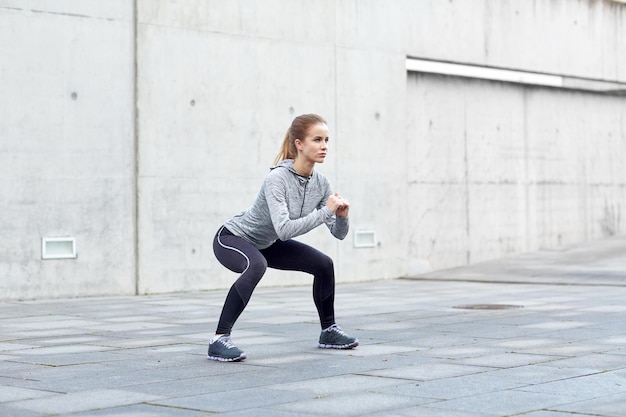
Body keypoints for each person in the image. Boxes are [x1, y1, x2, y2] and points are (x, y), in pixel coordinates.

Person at [208, 113, 358, 362]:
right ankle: (219, 339)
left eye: (327, 140)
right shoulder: (277, 179)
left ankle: (329, 331)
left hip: (267, 243)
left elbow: (339, 234)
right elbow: (285, 230)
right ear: (299, 144)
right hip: (233, 238)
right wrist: (325, 212)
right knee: (257, 265)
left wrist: (342, 216)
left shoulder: (321, 183)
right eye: (317, 140)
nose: (324, 146)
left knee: (324, 264)